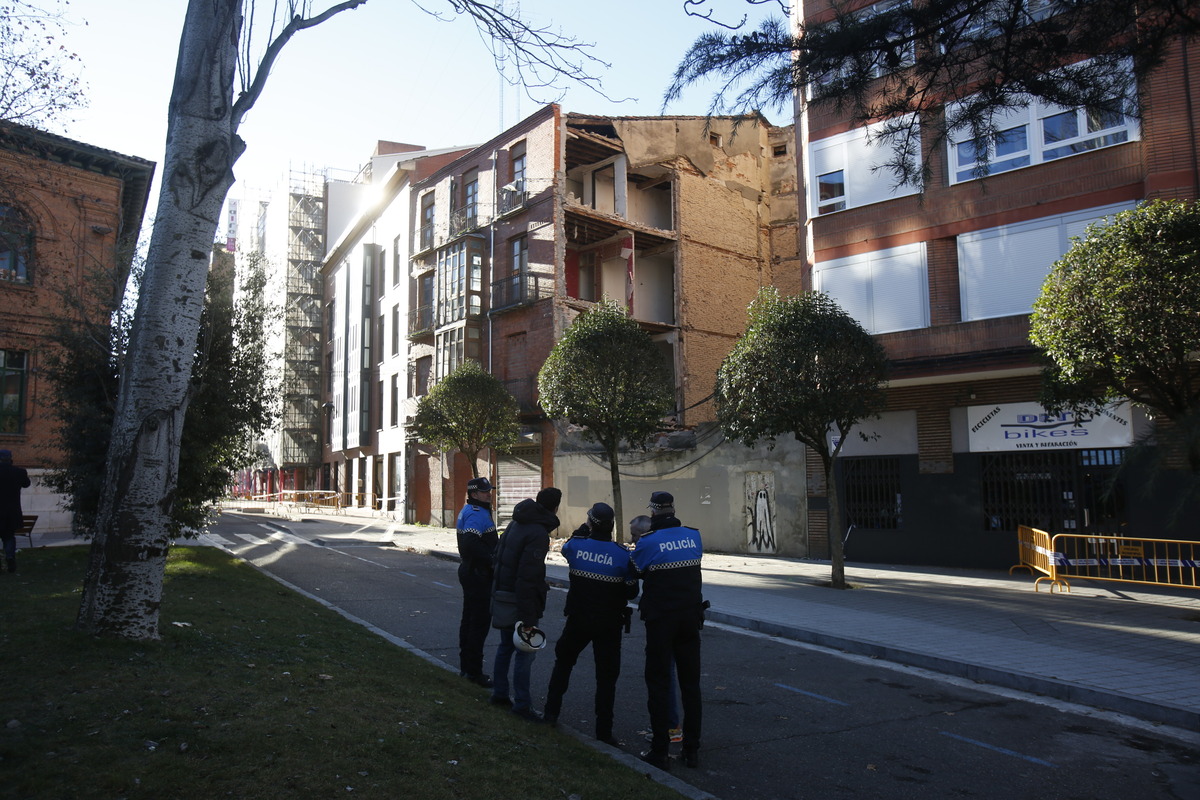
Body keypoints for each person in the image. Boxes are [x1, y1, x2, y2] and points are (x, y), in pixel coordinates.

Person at [542, 502, 638, 745]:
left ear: (590, 523)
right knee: (606, 678)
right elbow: (631, 592)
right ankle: (604, 731)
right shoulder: (622, 555)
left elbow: (567, 548)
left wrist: (582, 531)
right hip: (609, 624)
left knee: (563, 664)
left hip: (578, 620)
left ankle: (550, 714)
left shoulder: (576, 547)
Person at [633, 491, 705, 771]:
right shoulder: (694, 535)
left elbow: (637, 569)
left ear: (652, 512)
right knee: (691, 686)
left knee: (659, 682)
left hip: (661, 620)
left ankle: (660, 751)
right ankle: (692, 750)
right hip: (690, 618)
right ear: (673, 509)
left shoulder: (648, 541)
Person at [490, 487, 560, 721]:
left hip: (504, 592)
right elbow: (528, 576)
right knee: (525, 652)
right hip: (520, 598)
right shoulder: (538, 533)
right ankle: (521, 704)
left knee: (505, 647)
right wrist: (529, 615)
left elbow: (499, 556)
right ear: (555, 507)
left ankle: (500, 693)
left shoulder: (516, 522)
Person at [630, 515, 682, 746]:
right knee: (680, 676)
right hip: (685, 616)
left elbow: (632, 574)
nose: (632, 540)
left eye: (634, 535)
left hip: (663, 619)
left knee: (662, 674)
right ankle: (676, 730)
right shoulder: (676, 547)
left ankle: (668, 728)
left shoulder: (648, 548)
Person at [455, 476, 498, 687]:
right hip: (478, 574)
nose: (489, 493)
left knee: (469, 620)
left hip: (471, 572)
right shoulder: (477, 514)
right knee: (478, 624)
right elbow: (470, 543)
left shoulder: (470, 510)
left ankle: (466, 668)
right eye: (484, 491)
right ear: (473, 494)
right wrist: (492, 561)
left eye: (489, 490)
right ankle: (474, 671)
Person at [0, 449, 29, 574]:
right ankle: (10, 556)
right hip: (12, 511)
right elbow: (26, 484)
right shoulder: (19, 472)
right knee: (9, 536)